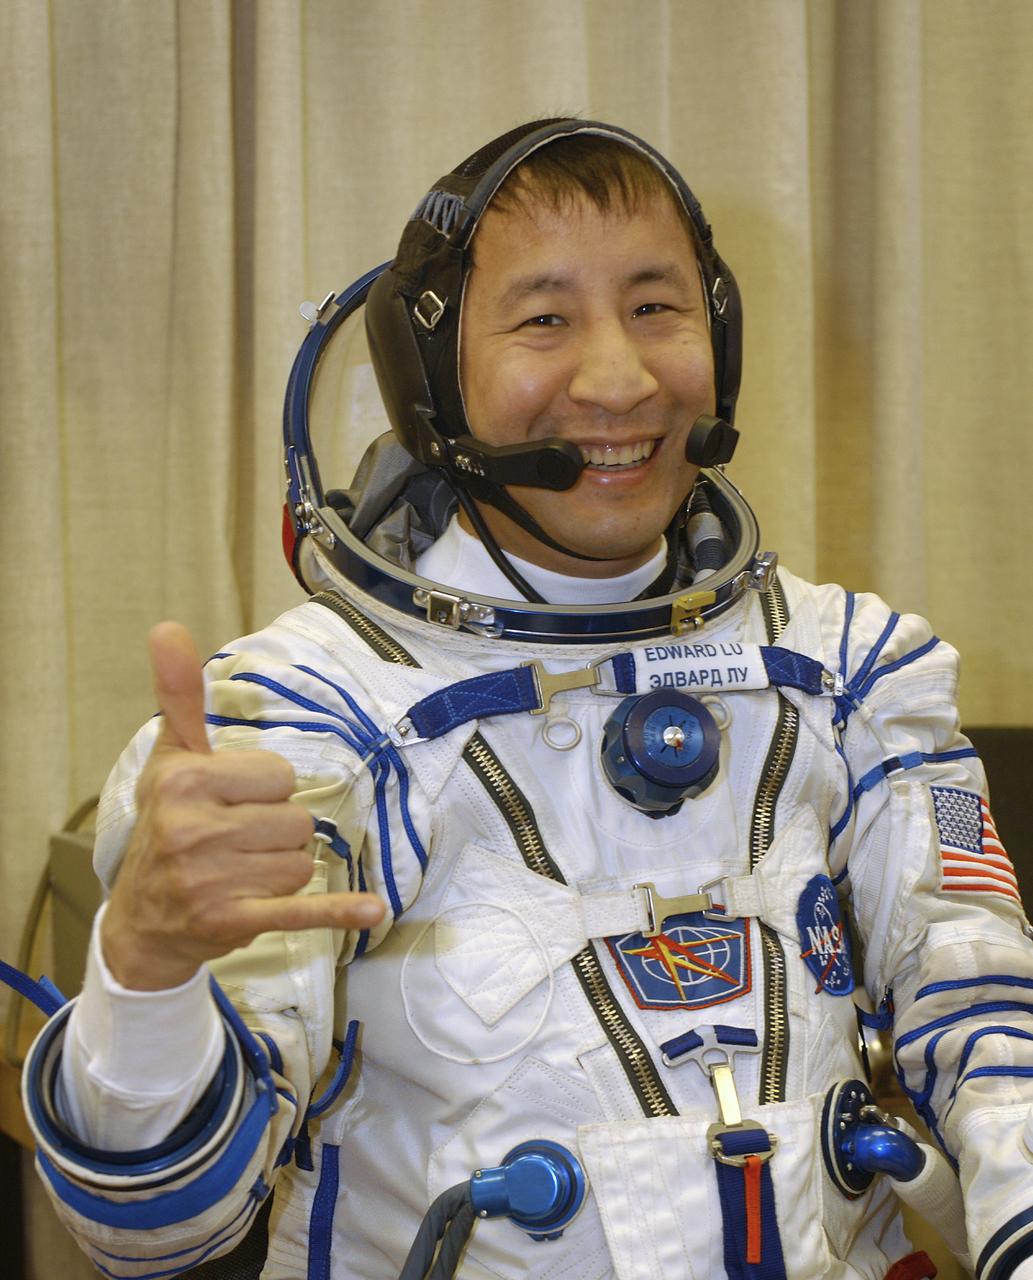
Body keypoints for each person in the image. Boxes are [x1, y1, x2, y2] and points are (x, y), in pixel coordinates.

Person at [20, 118, 1033, 1280]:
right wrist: (146, 970)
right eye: (545, 318)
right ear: (431, 379)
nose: (619, 378)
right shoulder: (309, 720)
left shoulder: (856, 675)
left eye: (657, 307)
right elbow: (155, 1228)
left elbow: (994, 1020)